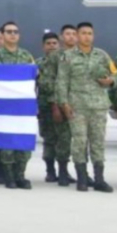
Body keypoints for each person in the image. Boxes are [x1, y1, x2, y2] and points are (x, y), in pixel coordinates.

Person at [57, 22, 115, 193]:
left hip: (98, 107)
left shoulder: (102, 55)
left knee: (98, 143)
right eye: (83, 33)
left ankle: (99, 179)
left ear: (93, 35)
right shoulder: (67, 57)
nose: (87, 36)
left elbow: (114, 73)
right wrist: (64, 104)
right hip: (77, 107)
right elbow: (62, 82)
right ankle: (82, 178)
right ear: (77, 35)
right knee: (79, 143)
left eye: (90, 33)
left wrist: (110, 81)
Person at [0, 21, 36, 189]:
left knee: (23, 144)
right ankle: (8, 176)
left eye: (15, 32)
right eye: (8, 32)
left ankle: (20, 175)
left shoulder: (26, 56)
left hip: (21, 108)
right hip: (1, 108)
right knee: (6, 144)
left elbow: (34, 80)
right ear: (3, 35)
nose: (12, 34)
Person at [36, 31, 64, 184]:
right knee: (49, 140)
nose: (52, 46)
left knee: (64, 140)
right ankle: (50, 171)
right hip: (45, 107)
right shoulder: (38, 64)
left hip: (64, 105)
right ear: (43, 46)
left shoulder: (65, 62)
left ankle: (63, 171)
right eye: (48, 44)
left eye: (54, 43)